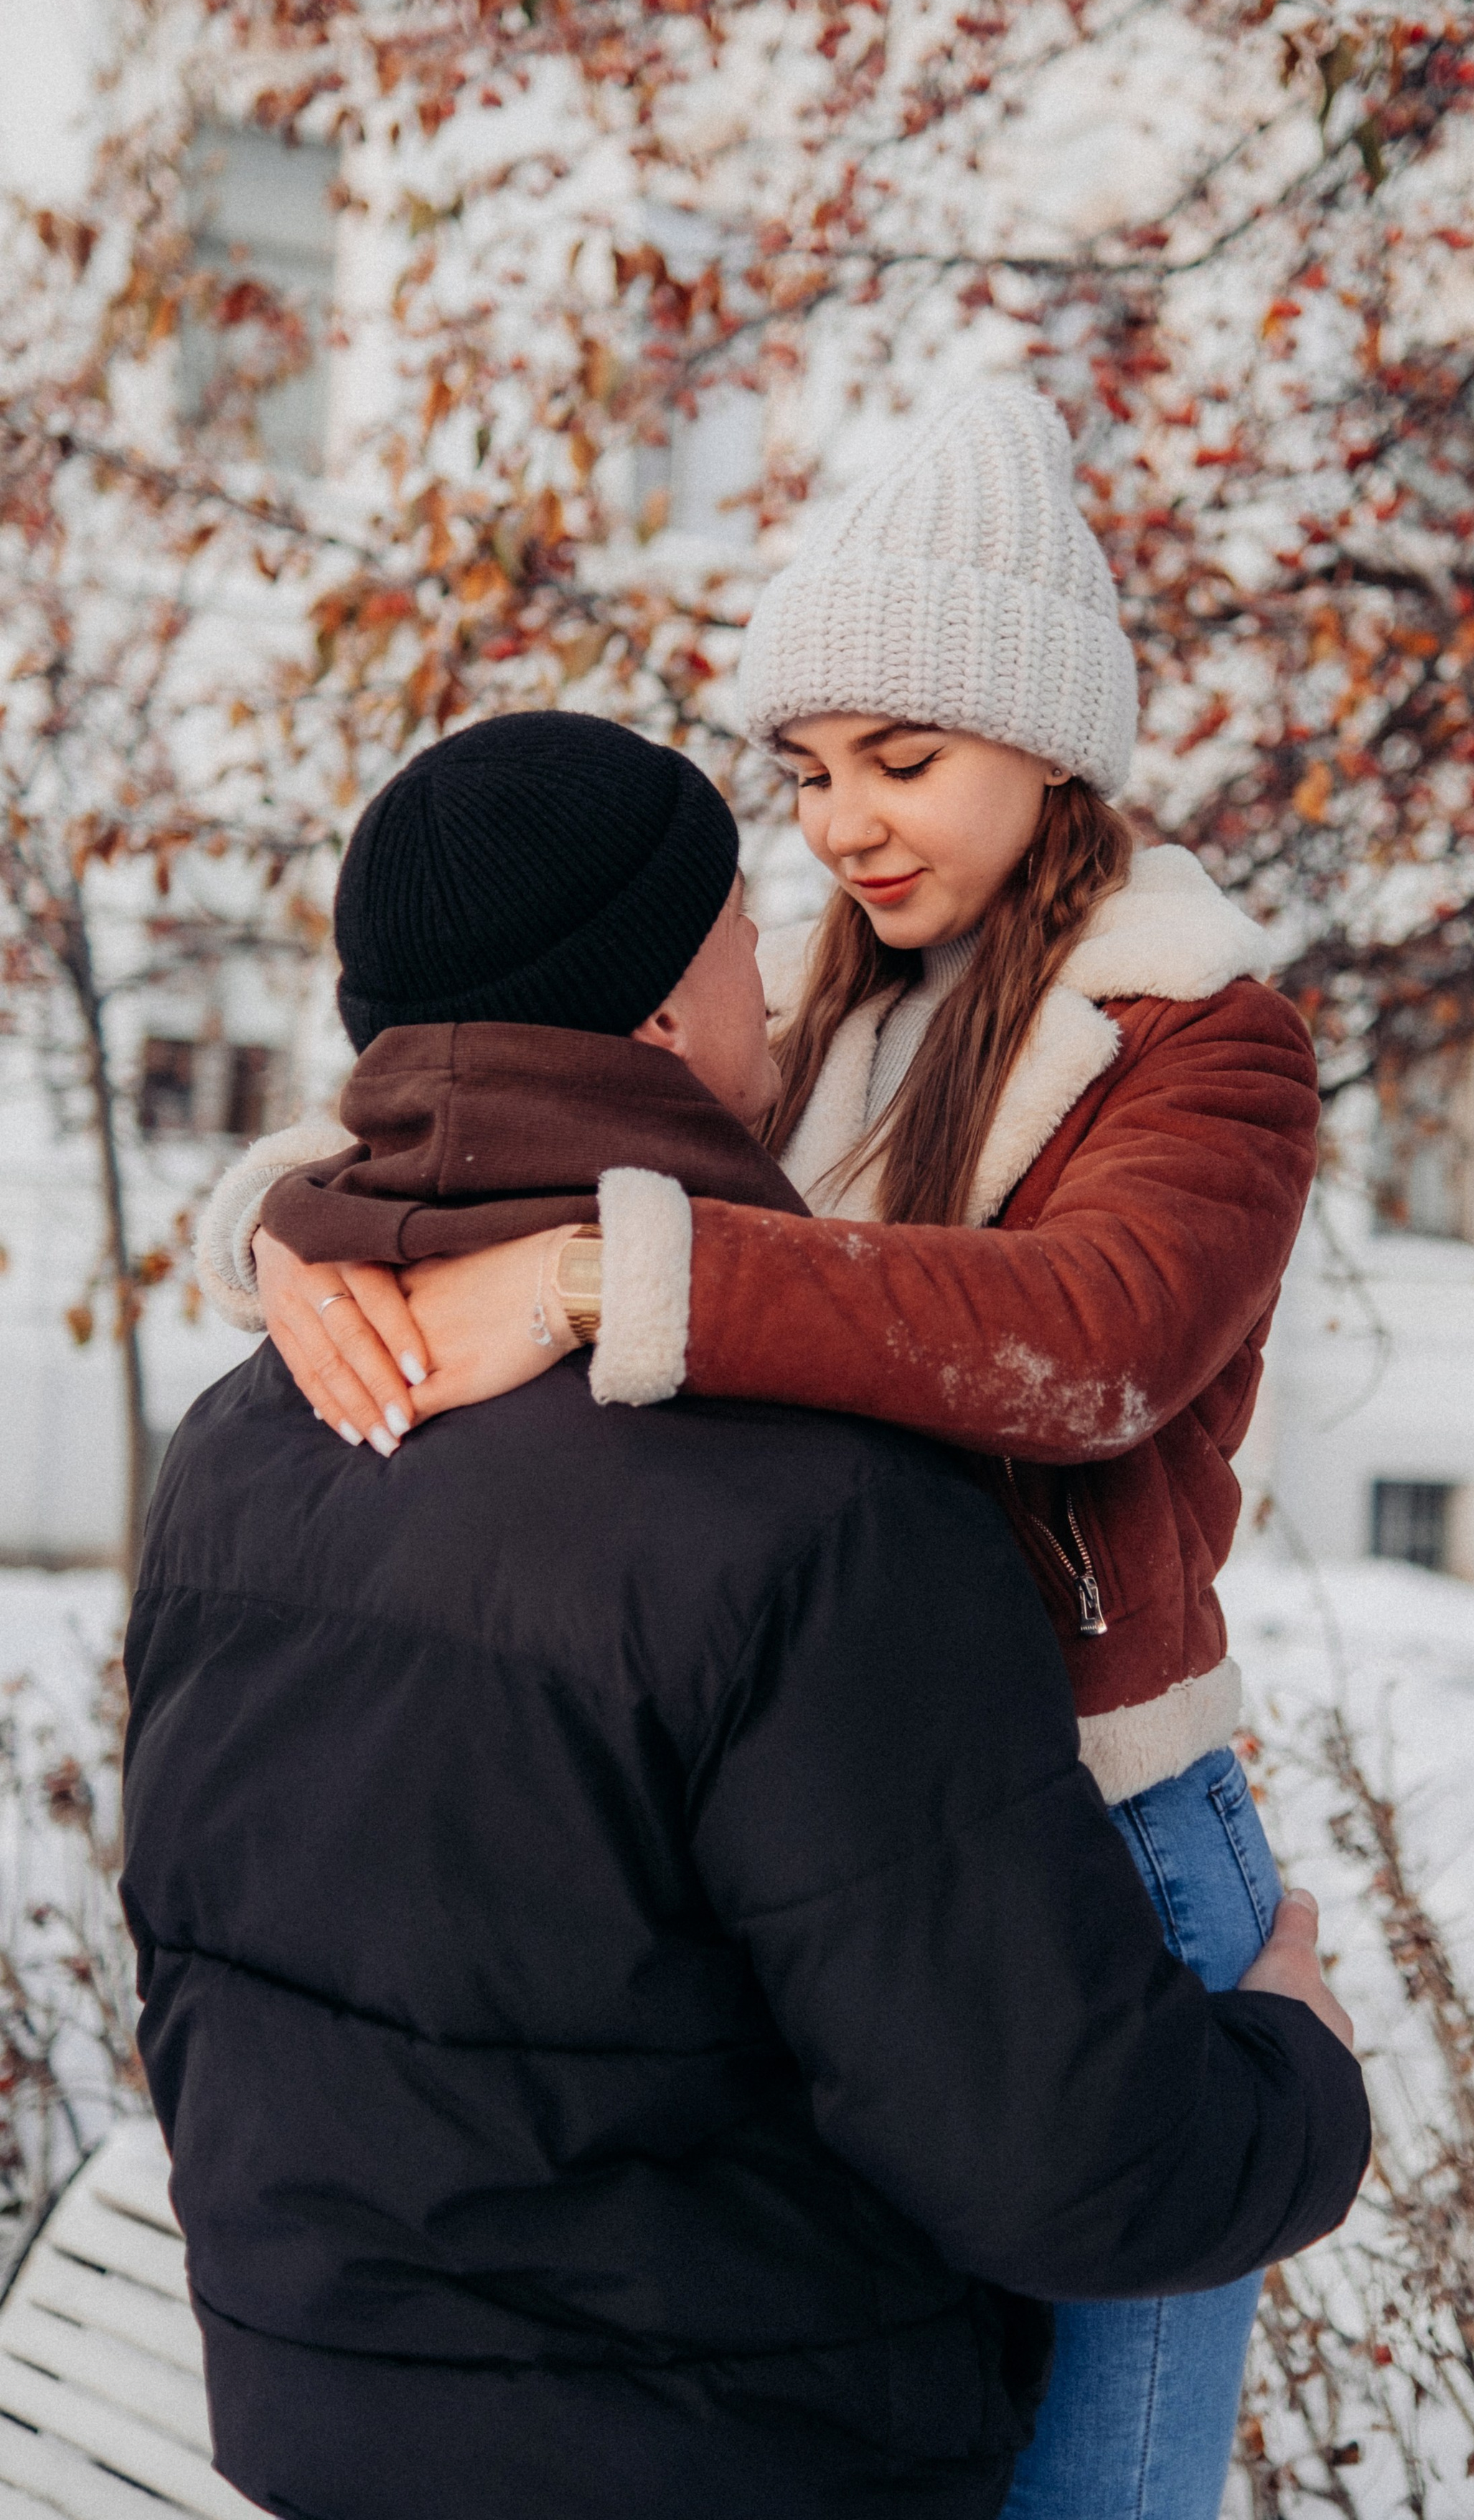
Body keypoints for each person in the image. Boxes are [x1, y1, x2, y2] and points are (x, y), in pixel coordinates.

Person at [202, 386, 1330, 2519]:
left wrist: (577, 1287)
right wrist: (291, 1231)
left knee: (1085, 2495)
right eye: (810, 774)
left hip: (1104, 1834)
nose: (845, 825)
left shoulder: (1205, 1040)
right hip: (864, 1839)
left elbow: (1096, 1346)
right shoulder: (830, 1019)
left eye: (903, 761)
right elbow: (520, 1122)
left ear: (1047, 745)